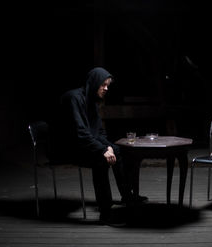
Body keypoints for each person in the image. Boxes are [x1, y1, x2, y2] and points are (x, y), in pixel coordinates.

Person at [48, 67, 147, 226]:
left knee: (118, 150)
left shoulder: (91, 100)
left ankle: (127, 196)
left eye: (108, 85)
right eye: (103, 85)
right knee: (100, 160)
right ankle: (106, 212)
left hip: (84, 144)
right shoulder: (74, 98)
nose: (106, 88)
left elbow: (98, 132)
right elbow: (80, 133)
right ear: (94, 83)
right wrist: (102, 150)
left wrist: (108, 147)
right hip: (67, 148)